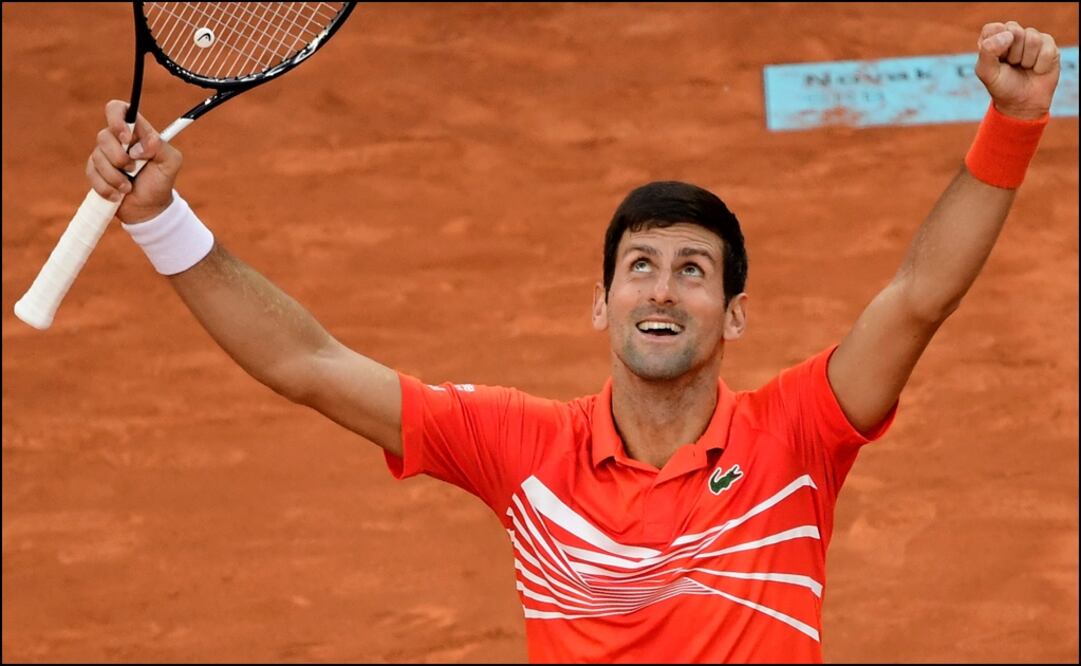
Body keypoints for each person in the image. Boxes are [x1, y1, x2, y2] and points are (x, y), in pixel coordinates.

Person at [83, 19, 1061, 664]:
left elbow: (918, 298)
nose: (662, 290)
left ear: (734, 313)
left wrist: (1013, 121)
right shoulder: (521, 447)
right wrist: (162, 221)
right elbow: (309, 365)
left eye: (692, 269)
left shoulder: (798, 435)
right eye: (639, 267)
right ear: (601, 305)